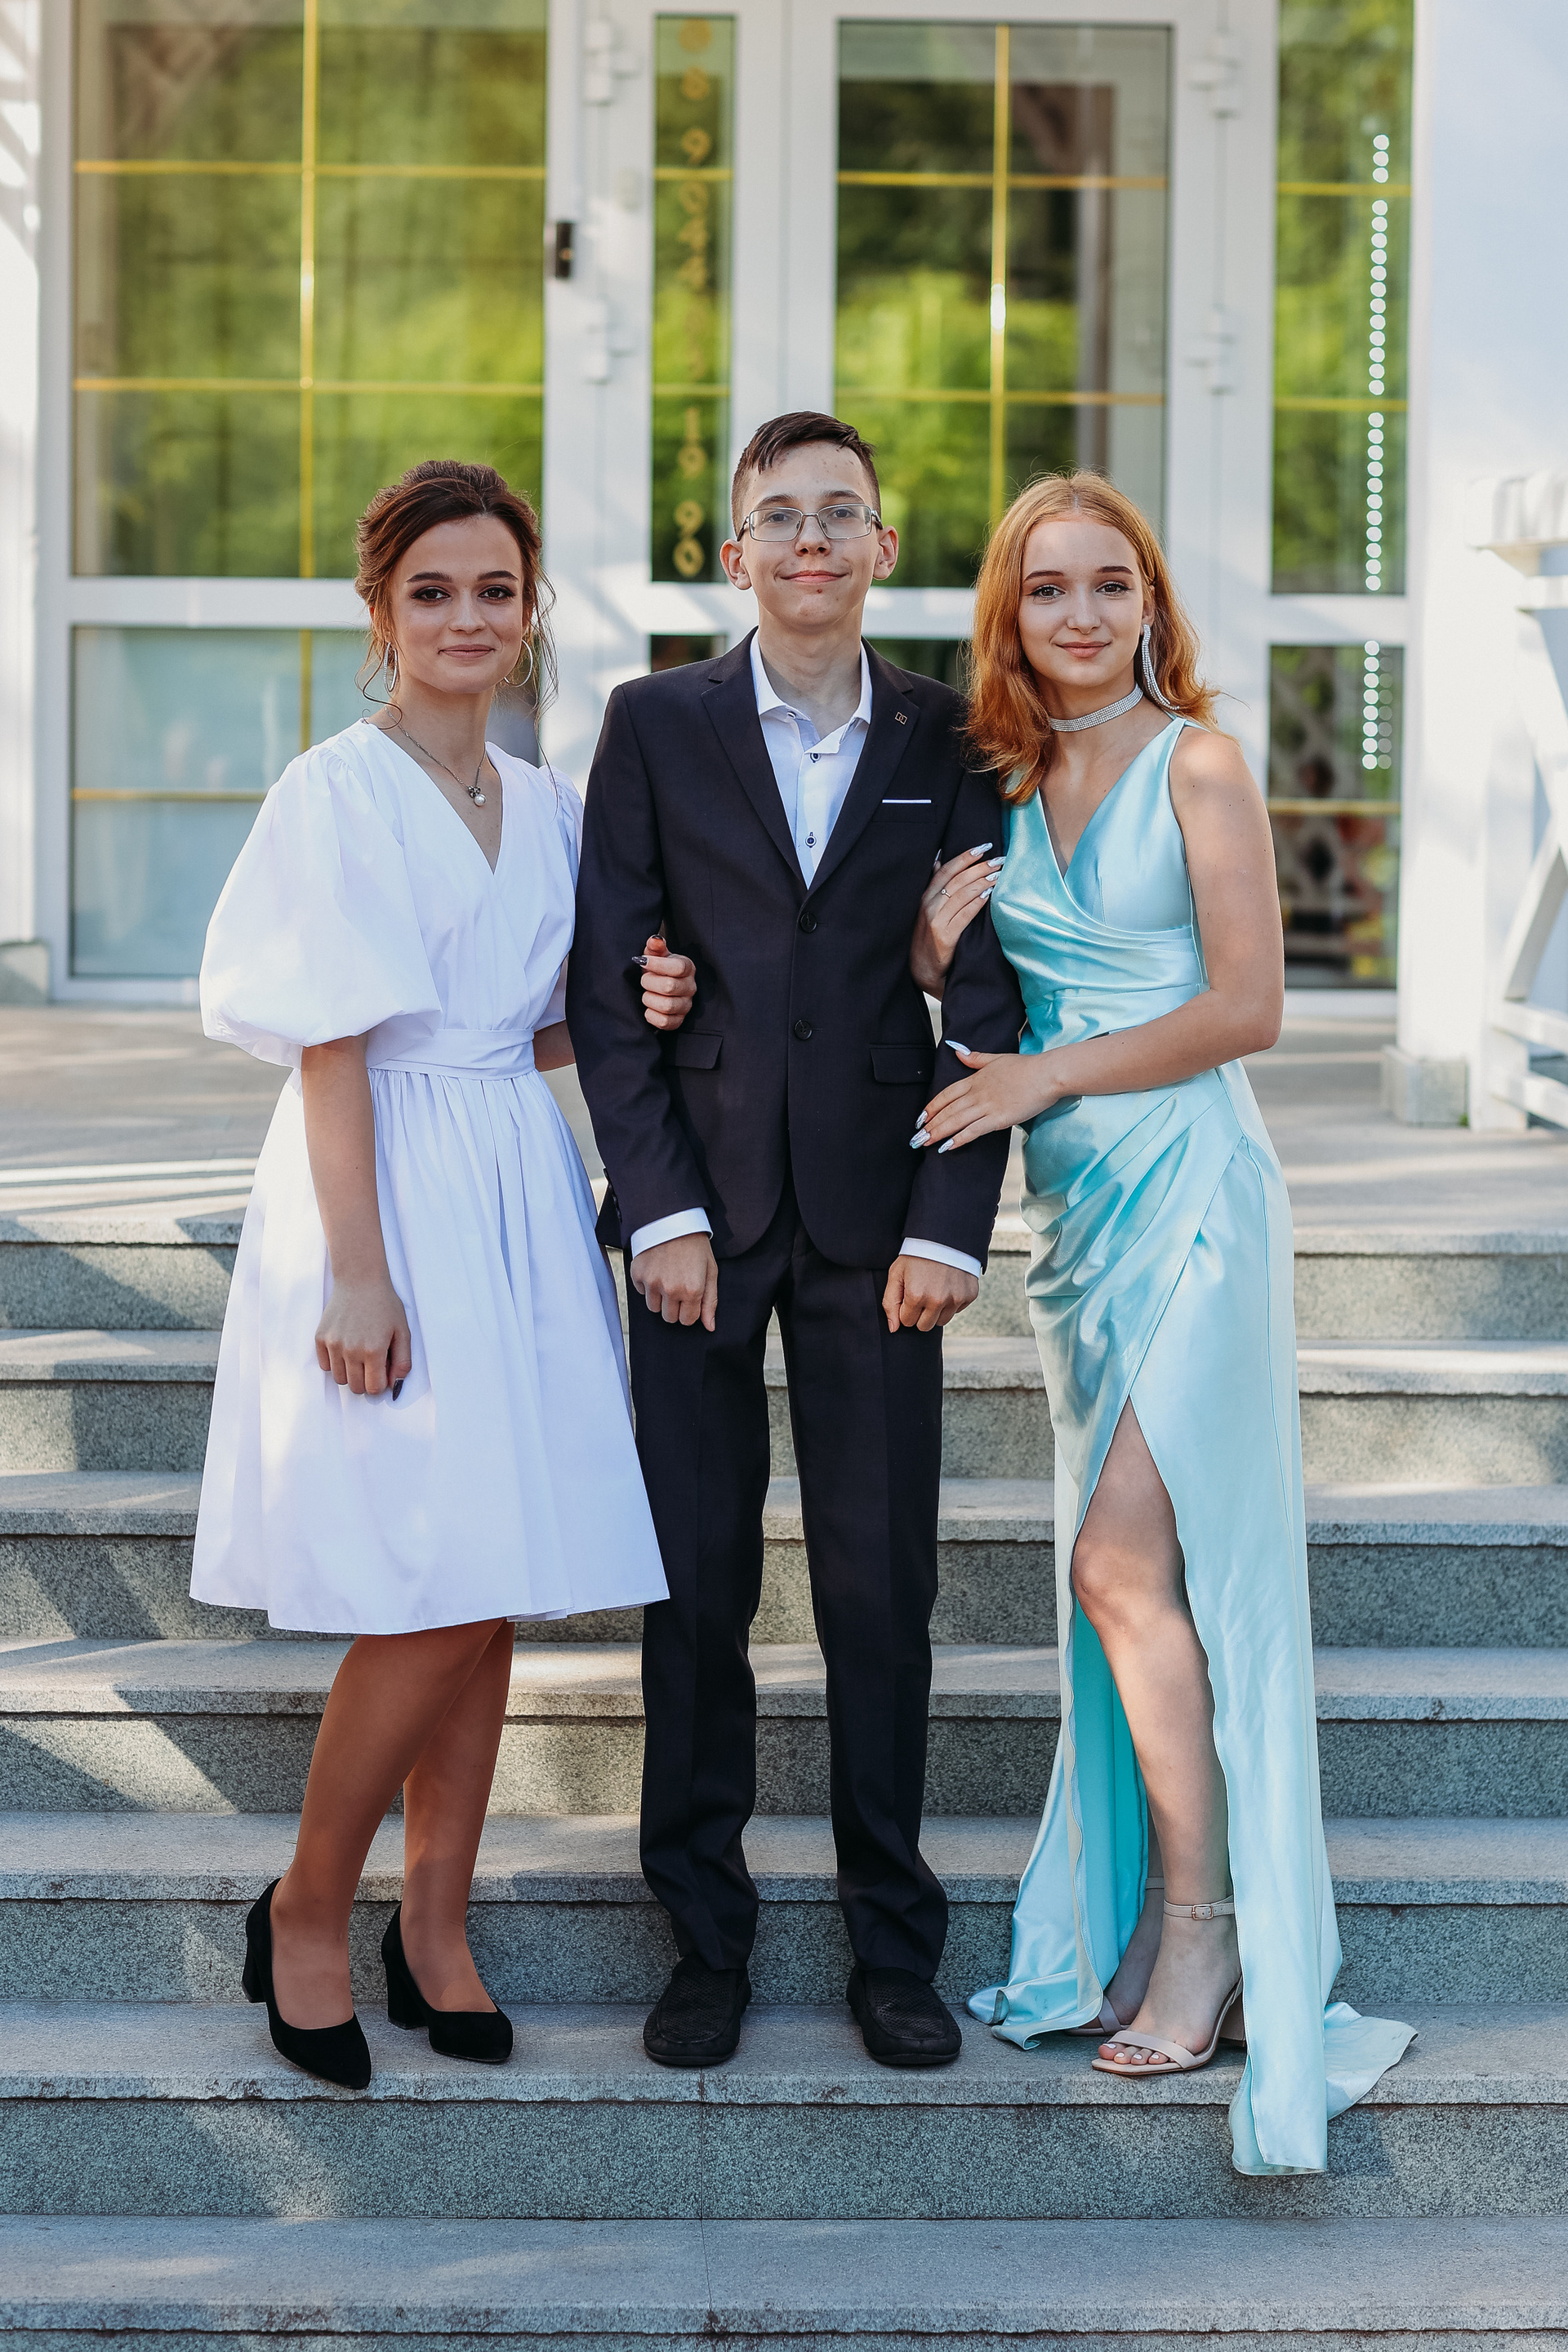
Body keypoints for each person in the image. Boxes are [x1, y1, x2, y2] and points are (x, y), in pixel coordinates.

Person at [909, 471, 1413, 2176]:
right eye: (1049, 587)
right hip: (1079, 1223)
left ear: (1150, 603)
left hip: (1195, 1189)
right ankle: (1156, 1915)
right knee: (1127, 1580)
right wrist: (932, 963)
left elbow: (1247, 1006)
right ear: (1011, 611)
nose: (1081, 614)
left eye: (1109, 585)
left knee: (1123, 1566)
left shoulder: (1199, 761)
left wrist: (1042, 1074)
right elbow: (992, 1005)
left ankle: (1205, 1930)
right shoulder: (1003, 780)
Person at [193, 459, 694, 2090]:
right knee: (430, 1580)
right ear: (380, 613)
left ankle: (435, 1920)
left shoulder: (548, 804)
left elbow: (522, 1024)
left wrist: (636, 1012)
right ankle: (306, 1910)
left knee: (489, 1584)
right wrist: (360, 1273)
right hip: (381, 1188)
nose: (467, 619)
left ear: (530, 610)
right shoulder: (333, 794)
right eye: (433, 593)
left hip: (514, 1181)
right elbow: (335, 1041)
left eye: (495, 591)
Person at [568, 412, 1025, 2069]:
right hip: (701, 1221)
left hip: (880, 1221)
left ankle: (894, 1948)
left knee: (879, 1596)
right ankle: (706, 1940)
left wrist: (953, 1228)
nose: (812, 538)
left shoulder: (957, 735)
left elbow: (989, 992)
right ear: (734, 552)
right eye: (781, 515)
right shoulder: (654, 725)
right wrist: (663, 1211)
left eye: (843, 513)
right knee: (696, 1593)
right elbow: (608, 984)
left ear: (885, 548)